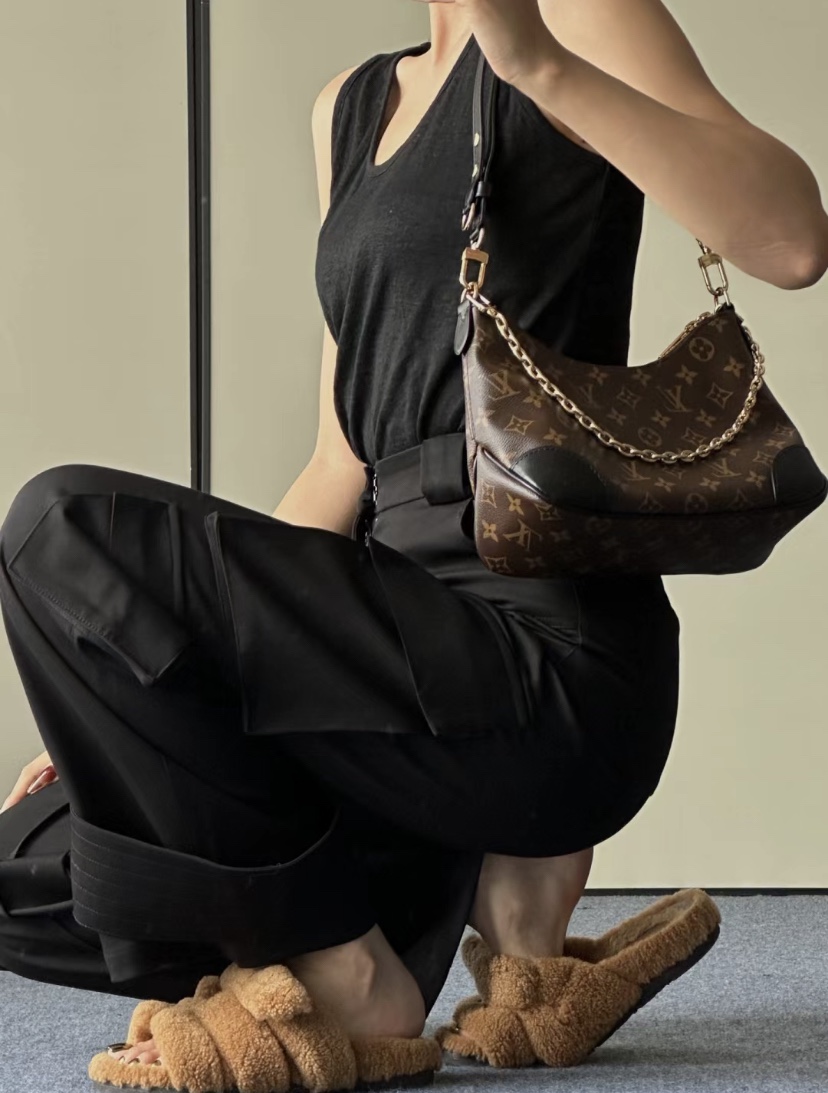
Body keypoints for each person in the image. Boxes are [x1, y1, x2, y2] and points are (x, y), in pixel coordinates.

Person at [9, 0, 812, 1082]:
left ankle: (352, 974)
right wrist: (138, 688)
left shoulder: (577, 20)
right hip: (382, 654)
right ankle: (449, 895)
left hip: (544, 652)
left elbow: (792, 241)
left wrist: (534, 61)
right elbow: (339, 461)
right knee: (29, 865)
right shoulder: (347, 107)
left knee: (57, 524)